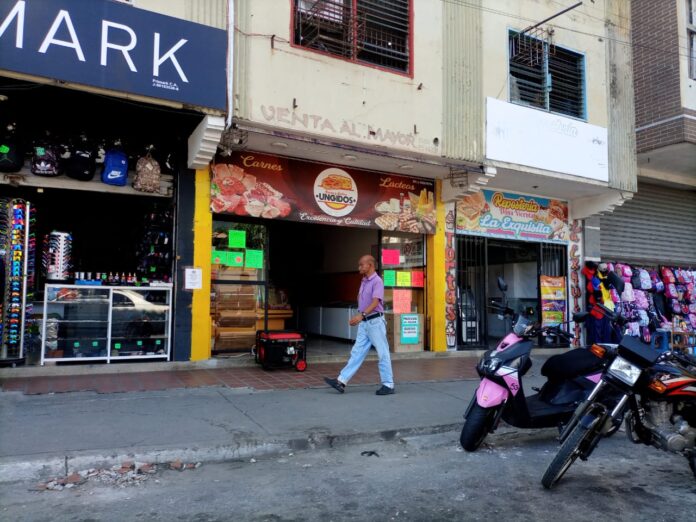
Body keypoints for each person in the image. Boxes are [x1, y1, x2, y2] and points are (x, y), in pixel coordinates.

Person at [324, 255, 395, 395]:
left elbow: (375, 302)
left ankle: (388, 384)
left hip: (375, 322)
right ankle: (341, 381)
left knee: (383, 353)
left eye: (361, 265)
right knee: (357, 353)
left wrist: (361, 315)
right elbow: (361, 298)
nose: (359, 267)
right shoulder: (364, 281)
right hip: (365, 322)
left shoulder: (377, 281)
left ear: (370, 265)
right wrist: (360, 314)